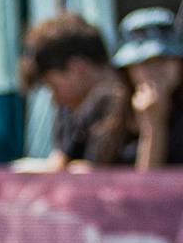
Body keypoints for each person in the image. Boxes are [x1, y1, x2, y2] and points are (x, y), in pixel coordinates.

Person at [17, 12, 130, 169]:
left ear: (77, 67)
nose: (55, 99)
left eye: (53, 86)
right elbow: (59, 164)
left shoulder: (134, 104)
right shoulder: (70, 111)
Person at [111, 7, 183, 169]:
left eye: (163, 59)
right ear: (127, 70)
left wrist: (153, 125)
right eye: (144, 63)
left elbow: (150, 189)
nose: (155, 70)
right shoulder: (112, 118)